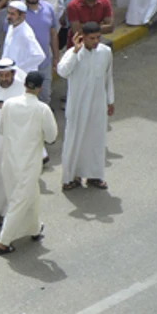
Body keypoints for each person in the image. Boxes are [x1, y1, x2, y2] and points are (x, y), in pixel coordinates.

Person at [0, 73, 57, 254]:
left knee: (31, 196)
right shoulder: (42, 109)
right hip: (29, 164)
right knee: (20, 202)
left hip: (9, 161)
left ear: (25, 85)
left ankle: (35, 228)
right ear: (39, 88)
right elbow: (52, 137)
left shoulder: (9, 104)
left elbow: (1, 129)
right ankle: (3, 242)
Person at [56, 25, 114, 191]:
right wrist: (75, 51)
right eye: (92, 38)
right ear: (82, 37)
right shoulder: (73, 54)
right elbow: (62, 71)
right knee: (74, 141)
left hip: (98, 105)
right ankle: (71, 177)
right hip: (78, 106)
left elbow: (108, 77)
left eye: (98, 38)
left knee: (96, 140)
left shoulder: (105, 52)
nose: (96, 42)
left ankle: (94, 176)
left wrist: (110, 101)